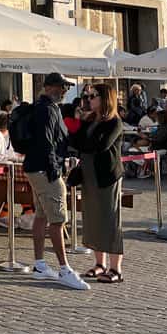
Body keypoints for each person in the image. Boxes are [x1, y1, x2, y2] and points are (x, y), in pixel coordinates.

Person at [24, 73, 89, 290]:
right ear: (50, 87)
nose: (64, 91)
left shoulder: (44, 107)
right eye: (62, 87)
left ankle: (40, 265)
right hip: (45, 170)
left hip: (37, 167)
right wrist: (55, 171)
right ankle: (64, 269)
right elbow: (47, 143)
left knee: (42, 215)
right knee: (58, 219)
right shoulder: (48, 109)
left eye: (66, 87)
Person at [72, 84, 125, 283]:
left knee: (109, 220)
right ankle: (99, 263)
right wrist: (78, 121)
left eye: (93, 96)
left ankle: (116, 268)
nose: (89, 99)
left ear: (104, 98)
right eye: (87, 95)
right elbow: (76, 142)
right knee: (92, 218)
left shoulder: (114, 122)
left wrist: (84, 142)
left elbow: (101, 145)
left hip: (106, 177)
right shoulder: (90, 120)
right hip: (89, 175)